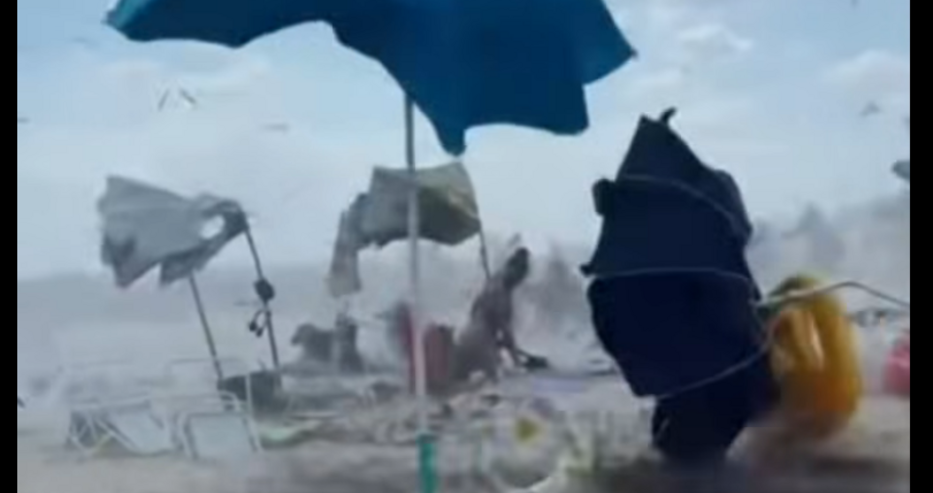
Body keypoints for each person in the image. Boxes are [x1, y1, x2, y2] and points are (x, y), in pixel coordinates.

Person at [453, 247, 539, 384]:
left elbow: (476, 311)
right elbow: (506, 333)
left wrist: (497, 341)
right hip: (480, 345)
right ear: (515, 271)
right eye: (520, 277)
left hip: (464, 339)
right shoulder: (501, 293)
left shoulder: (492, 282)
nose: (519, 282)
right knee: (500, 385)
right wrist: (517, 361)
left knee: (464, 385)